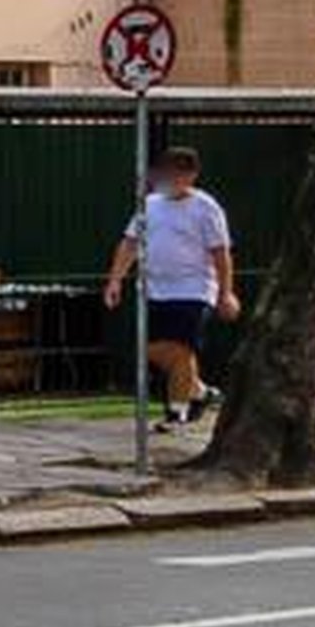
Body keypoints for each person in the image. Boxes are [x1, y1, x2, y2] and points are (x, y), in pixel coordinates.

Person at [101, 145, 240, 429]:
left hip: (194, 289)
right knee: (153, 350)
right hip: (156, 289)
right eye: (168, 172)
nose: (172, 179)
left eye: (179, 174)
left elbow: (221, 252)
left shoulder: (206, 208)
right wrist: (115, 279)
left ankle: (177, 413)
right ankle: (200, 391)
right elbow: (130, 243)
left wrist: (226, 292)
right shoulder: (150, 205)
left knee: (181, 350)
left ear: (192, 175)